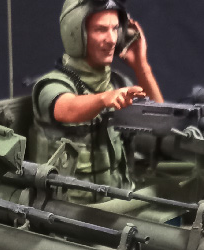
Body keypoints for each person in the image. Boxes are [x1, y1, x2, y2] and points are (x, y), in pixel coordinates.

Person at [31, 0, 163, 191]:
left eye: (115, 29)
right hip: (71, 205)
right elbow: (66, 108)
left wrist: (141, 66)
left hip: (120, 197)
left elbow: (159, 120)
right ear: (76, 34)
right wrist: (104, 99)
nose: (112, 39)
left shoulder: (118, 83)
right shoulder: (51, 85)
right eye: (100, 30)